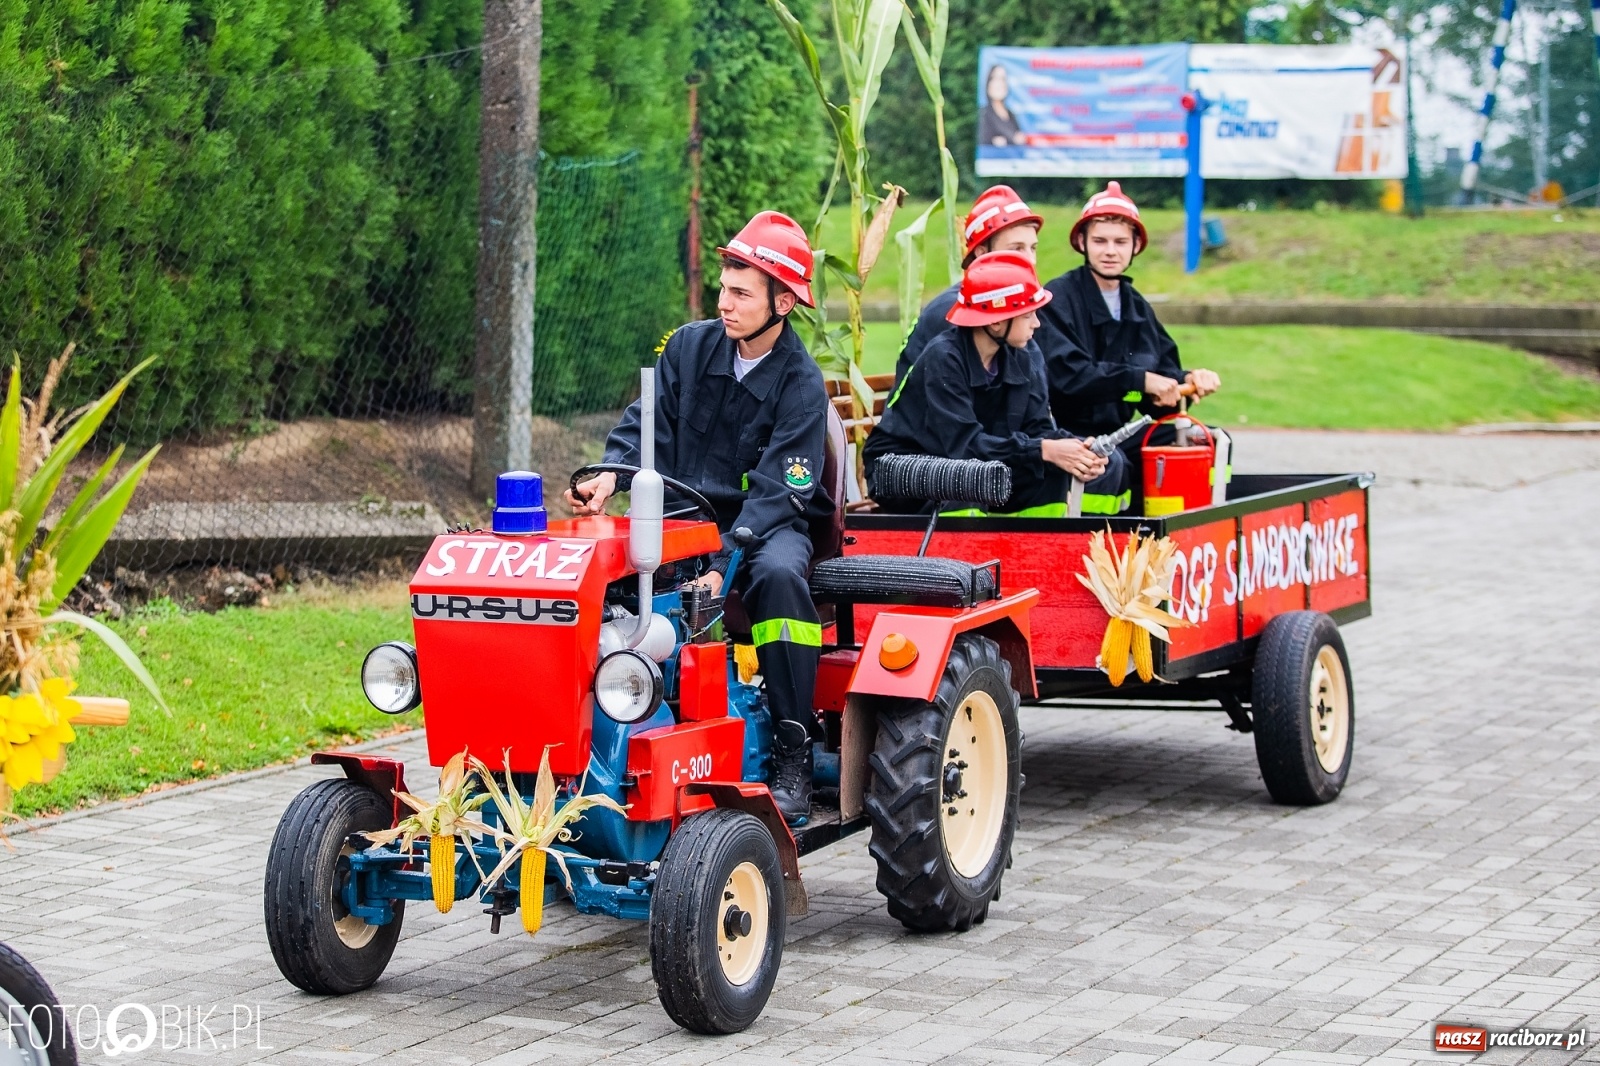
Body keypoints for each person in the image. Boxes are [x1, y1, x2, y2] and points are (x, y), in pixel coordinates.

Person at [566, 211, 830, 826]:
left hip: (763, 527)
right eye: (723, 289)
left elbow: (781, 489)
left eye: (742, 293)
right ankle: (586, 739)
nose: (725, 304)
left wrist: (723, 561)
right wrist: (611, 474)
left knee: (781, 579)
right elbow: (644, 426)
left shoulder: (801, 384)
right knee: (595, 576)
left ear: (783, 303)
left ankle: (792, 748)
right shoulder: (688, 348)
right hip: (681, 519)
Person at [864, 252, 1126, 516]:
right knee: (971, 481)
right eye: (1028, 315)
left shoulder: (1024, 355)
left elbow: (1038, 430)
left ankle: (1057, 543)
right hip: (899, 468)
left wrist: (1077, 449)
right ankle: (969, 545)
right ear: (997, 321)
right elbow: (964, 446)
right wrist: (1043, 450)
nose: (1037, 323)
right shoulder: (943, 357)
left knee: (1097, 465)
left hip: (982, 464)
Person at [1035, 182, 1223, 511]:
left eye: (1120, 242)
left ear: (1136, 246)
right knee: (1112, 461)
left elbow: (1157, 391)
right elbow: (1069, 378)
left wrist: (1188, 381)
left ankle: (1188, 527)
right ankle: (1096, 535)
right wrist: (1140, 381)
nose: (1110, 251)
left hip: (1122, 431)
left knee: (1209, 441)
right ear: (1082, 242)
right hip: (1066, 435)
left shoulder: (1136, 306)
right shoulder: (1058, 298)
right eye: (1100, 241)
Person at [893, 185, 1045, 385]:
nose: (1030, 260)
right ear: (982, 252)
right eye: (1016, 249)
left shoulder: (1016, 302)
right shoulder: (956, 311)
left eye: (1033, 248)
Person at [978, 64, 1024, 148]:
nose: (1000, 84)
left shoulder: (1011, 114)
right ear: (988, 83)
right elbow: (982, 140)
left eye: (1003, 79)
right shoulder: (983, 113)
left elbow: (1019, 139)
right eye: (995, 78)